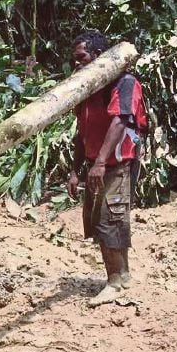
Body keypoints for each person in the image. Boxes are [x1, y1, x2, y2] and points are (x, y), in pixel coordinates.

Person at [67, 31, 147, 307]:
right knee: (98, 220)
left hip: (117, 163)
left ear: (99, 56)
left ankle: (116, 281)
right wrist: (76, 170)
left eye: (82, 58)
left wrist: (100, 162)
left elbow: (120, 122)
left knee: (109, 219)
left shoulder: (124, 83)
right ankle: (120, 276)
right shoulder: (87, 90)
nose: (77, 65)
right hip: (96, 165)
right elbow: (82, 132)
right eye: (73, 61)